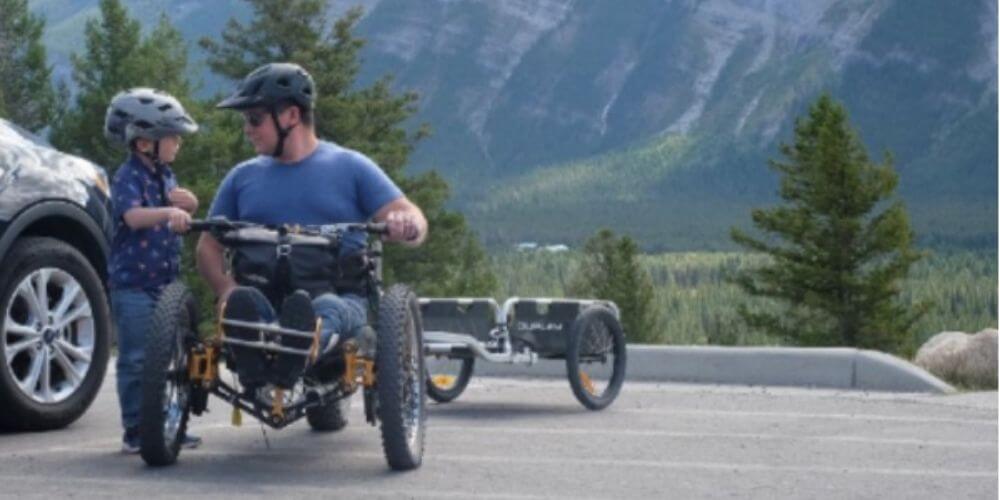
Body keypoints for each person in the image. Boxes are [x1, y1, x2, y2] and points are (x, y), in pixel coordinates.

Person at [195, 63, 427, 382]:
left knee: (327, 308)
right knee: (243, 302)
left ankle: (295, 353)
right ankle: (263, 356)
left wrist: (406, 222)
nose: (247, 129)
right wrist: (225, 288)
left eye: (254, 119)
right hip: (264, 298)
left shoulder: (350, 167)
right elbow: (208, 246)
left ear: (291, 116)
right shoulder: (241, 178)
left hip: (337, 296)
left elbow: (415, 219)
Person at [105, 88, 202, 454]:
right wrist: (167, 213)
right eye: (172, 137)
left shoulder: (165, 175)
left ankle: (168, 422)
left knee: (168, 355)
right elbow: (132, 216)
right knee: (136, 358)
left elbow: (179, 208)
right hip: (133, 285)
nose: (177, 143)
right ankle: (136, 429)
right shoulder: (127, 176)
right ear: (145, 142)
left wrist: (188, 203)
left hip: (164, 282)